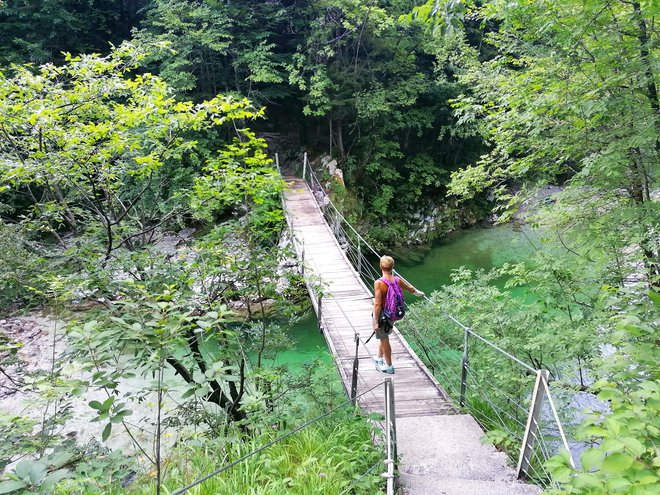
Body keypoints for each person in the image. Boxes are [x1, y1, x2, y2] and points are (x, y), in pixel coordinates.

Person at [372, 255, 424, 374]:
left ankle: (389, 365)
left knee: (384, 337)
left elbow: (377, 305)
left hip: (383, 314)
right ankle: (379, 358)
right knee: (383, 334)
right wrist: (420, 294)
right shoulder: (397, 280)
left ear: (381, 266)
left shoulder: (379, 283)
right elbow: (411, 288)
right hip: (394, 312)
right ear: (392, 267)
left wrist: (375, 321)